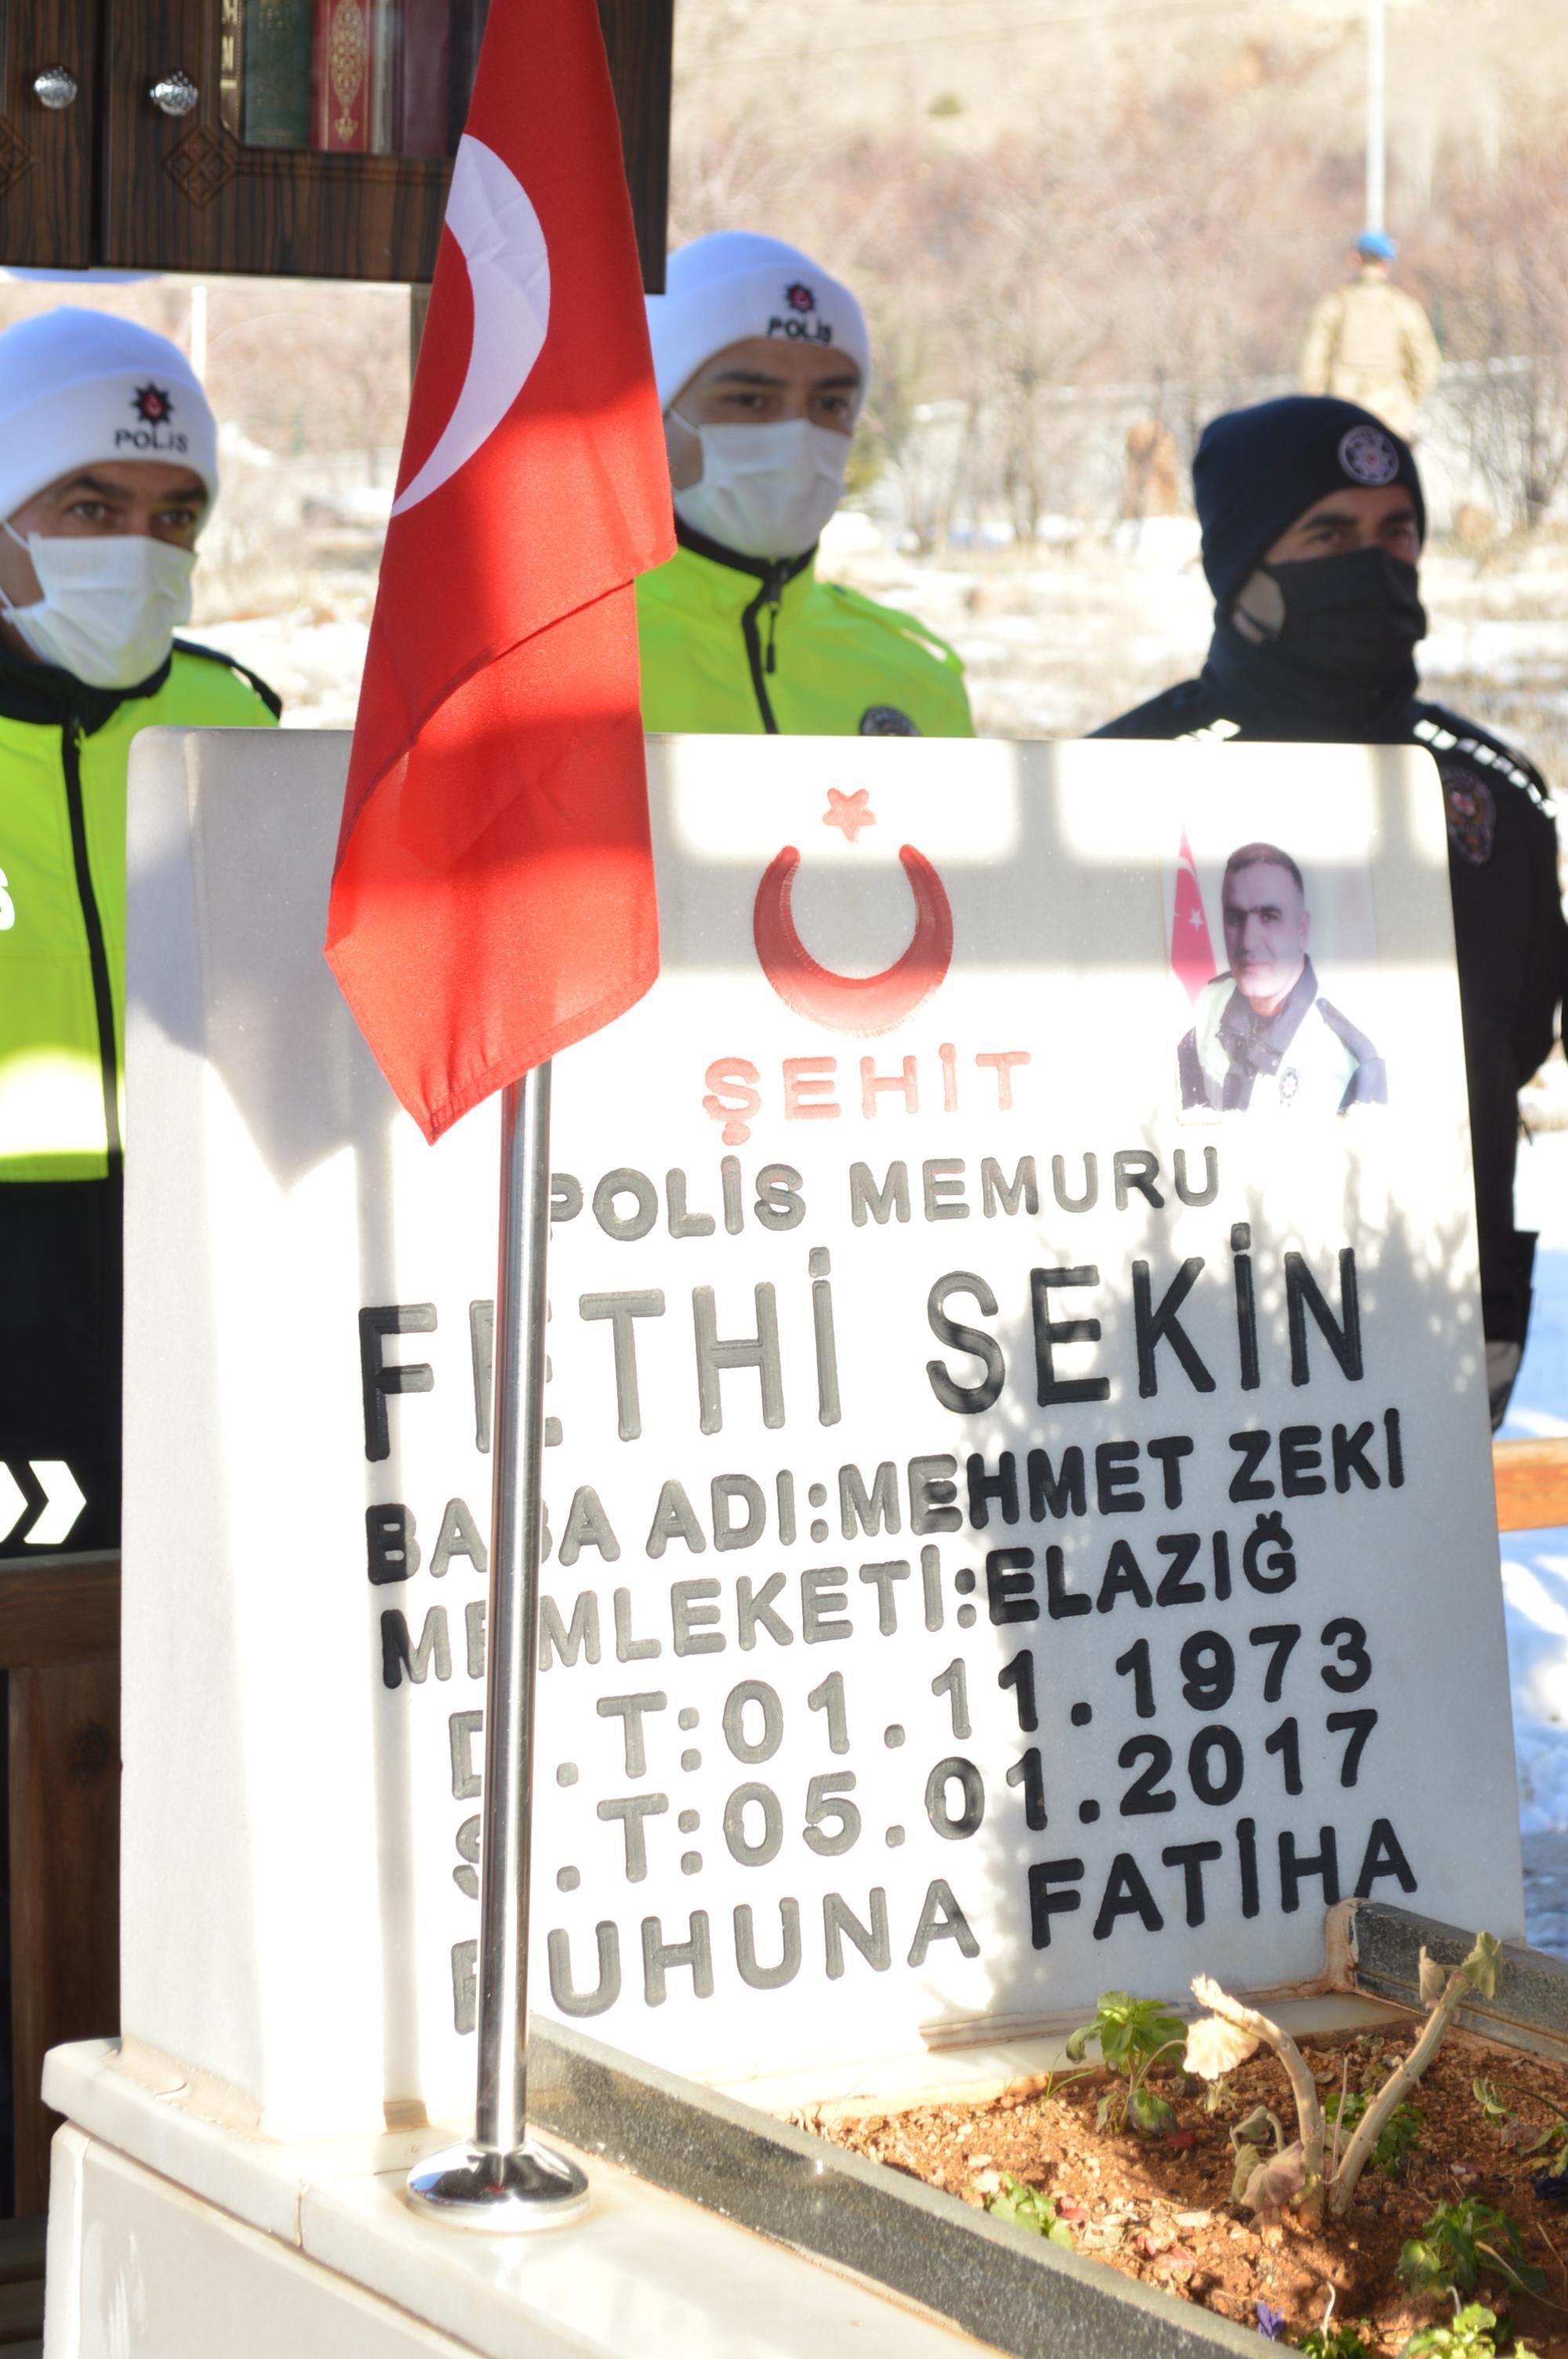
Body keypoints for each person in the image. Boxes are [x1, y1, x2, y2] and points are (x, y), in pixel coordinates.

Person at [1097, 394, 1566, 1427]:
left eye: (1397, 530)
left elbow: (1517, 1037)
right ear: (1243, 566)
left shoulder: (1497, 792)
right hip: (1187, 1324)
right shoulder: (1113, 785)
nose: (1375, 560)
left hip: (1445, 1299)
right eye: (1330, 534)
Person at [0, 307, 279, 1552]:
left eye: (176, 520)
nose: (142, 552)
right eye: (90, 508)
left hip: (196, 1252)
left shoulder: (235, 720)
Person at [638, 231, 973, 738]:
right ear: (652, 416)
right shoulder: (564, 669)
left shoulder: (915, 678)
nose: (797, 435)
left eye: (830, 404)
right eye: (749, 400)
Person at [1178, 841, 1385, 1113]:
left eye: (1269, 917)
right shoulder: (1209, 1007)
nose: (1248, 942)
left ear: (1302, 930)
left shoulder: (1350, 1063)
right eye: (1235, 918)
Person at [1299, 231, 1442, 442]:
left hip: (1342, 418)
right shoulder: (1405, 308)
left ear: (1355, 258)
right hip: (1392, 421)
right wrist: (1406, 400)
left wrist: (1319, 409)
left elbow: (1311, 365)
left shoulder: (1334, 306)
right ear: (1386, 263)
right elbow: (1427, 366)